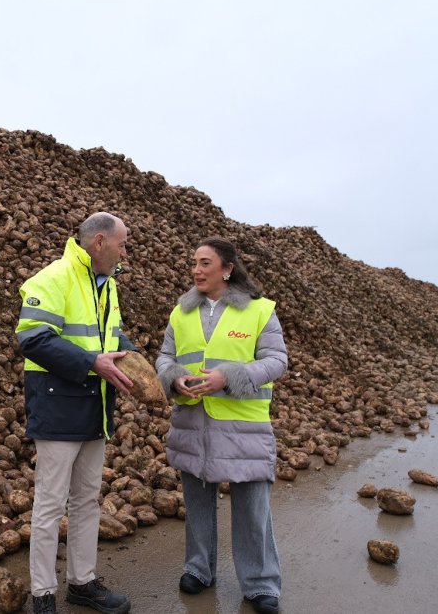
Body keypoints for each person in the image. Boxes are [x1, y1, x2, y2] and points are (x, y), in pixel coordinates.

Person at [155, 236, 289, 614]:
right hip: (193, 423)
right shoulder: (179, 313)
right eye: (194, 263)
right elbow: (165, 357)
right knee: (197, 502)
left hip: (242, 425)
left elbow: (277, 360)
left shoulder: (260, 310)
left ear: (227, 269)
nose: (196, 270)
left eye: (204, 263)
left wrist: (229, 377)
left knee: (252, 508)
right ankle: (198, 570)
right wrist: (174, 377)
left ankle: (261, 584)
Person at [15, 212, 136, 614]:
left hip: (94, 407)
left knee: (86, 500)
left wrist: (136, 362)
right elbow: (32, 338)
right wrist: (91, 363)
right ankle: (43, 594)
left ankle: (82, 583)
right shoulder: (53, 278)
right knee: (50, 504)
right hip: (58, 405)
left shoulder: (108, 287)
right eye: (121, 243)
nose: (125, 251)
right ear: (99, 242)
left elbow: (112, 337)